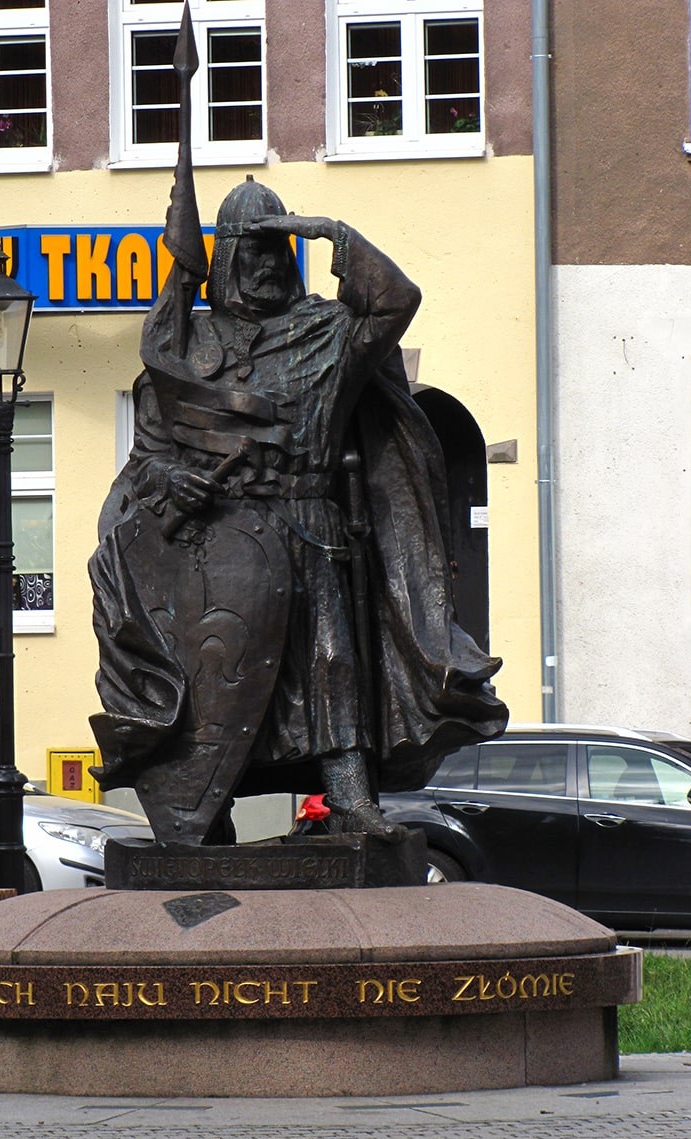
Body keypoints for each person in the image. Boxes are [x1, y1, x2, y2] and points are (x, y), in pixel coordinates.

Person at [89, 175, 508, 846]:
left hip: (309, 525)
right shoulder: (186, 348)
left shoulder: (325, 333)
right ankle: (206, 808)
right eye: (249, 252)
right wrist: (174, 480)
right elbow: (148, 456)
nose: (264, 265)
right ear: (222, 259)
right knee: (209, 678)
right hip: (212, 544)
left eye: (274, 251)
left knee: (331, 660)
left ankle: (347, 795)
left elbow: (396, 299)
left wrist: (330, 233)